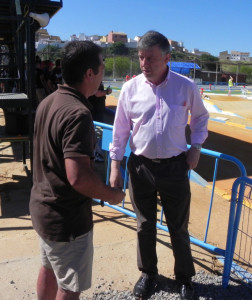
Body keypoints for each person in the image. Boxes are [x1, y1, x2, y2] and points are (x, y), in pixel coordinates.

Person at [109, 31, 209, 300]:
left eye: (150, 58)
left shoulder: (184, 86)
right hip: (140, 166)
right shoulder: (131, 89)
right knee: (144, 225)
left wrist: (196, 147)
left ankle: (185, 278)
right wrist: (115, 165)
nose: (144, 64)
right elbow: (119, 131)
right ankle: (149, 273)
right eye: (141, 57)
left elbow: (200, 118)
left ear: (167, 58)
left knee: (179, 226)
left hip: (175, 166)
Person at [30, 41, 125, 300]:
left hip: (43, 208)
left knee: (49, 268)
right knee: (69, 285)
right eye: (102, 65)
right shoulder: (78, 113)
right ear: (89, 74)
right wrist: (112, 195)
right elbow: (78, 177)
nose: (104, 69)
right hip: (66, 218)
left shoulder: (49, 102)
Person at [89, 82, 112, 162]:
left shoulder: (98, 81)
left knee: (99, 134)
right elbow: (97, 93)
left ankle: (99, 153)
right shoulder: (93, 81)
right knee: (97, 135)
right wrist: (107, 92)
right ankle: (97, 154)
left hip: (99, 111)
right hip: (95, 112)